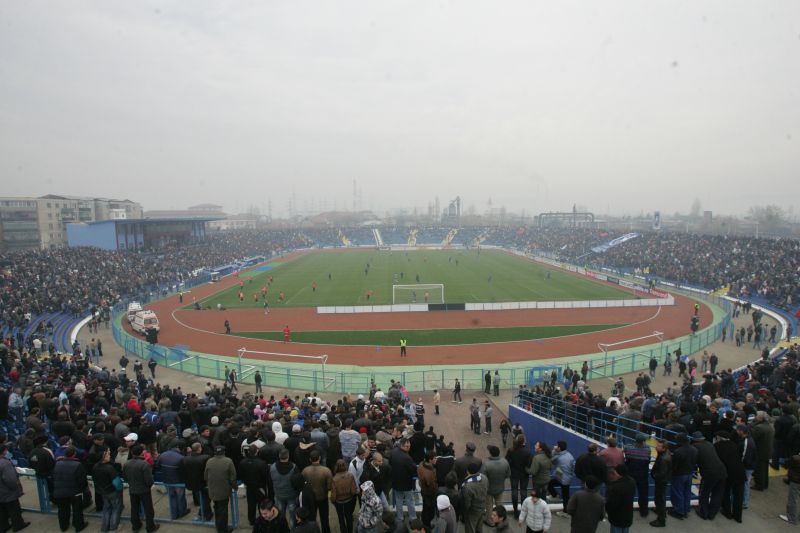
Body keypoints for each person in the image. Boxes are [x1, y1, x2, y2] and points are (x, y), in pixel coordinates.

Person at [122, 444, 159, 533]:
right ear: (142, 453)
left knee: (134, 508)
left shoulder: (126, 464)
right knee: (148, 509)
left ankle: (135, 526)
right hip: (144, 490)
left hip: (133, 489)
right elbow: (149, 480)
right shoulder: (144, 464)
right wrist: (149, 485)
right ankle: (150, 527)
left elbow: (125, 478)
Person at [692, 431, 727, 520]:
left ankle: (703, 513)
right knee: (717, 493)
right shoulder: (709, 444)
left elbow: (694, 461)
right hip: (722, 471)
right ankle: (712, 514)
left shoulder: (695, 447)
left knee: (704, 493)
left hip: (709, 473)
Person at [52, 446, 89, 533]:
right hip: (75, 492)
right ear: (74, 454)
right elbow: (82, 481)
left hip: (60, 491)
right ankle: (79, 526)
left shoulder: (57, 464)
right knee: (77, 510)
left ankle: (63, 526)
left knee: (62, 510)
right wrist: (83, 489)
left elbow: (53, 476)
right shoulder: (78, 465)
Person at [714, 430, 745, 523]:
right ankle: (738, 516)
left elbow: (717, 461)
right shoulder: (734, 444)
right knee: (738, 495)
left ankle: (727, 512)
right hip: (740, 472)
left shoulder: (717, 446)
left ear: (719, 438)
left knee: (726, 492)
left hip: (728, 473)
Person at [205, 445, 237, 533]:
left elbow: (205, 476)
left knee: (217, 508)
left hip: (213, 491)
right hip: (224, 491)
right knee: (223, 511)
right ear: (224, 452)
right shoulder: (228, 461)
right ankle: (223, 529)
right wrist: (235, 487)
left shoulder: (209, 461)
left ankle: (218, 526)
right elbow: (233, 477)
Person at [156, 440, 189, 520]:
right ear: (179, 448)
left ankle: (174, 514)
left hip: (167, 480)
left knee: (171, 496)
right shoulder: (181, 458)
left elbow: (158, 466)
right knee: (180, 497)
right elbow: (184, 471)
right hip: (178, 481)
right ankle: (182, 512)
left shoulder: (162, 455)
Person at [93, 447, 123, 532]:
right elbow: (117, 483)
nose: (109, 456)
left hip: (103, 491)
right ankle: (113, 527)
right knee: (116, 509)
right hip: (112, 492)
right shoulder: (109, 468)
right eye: (107, 455)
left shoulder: (95, 467)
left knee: (106, 509)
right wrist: (119, 489)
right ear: (103, 458)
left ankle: (104, 527)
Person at [302, 450, 333, 533]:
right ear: (319, 458)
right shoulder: (326, 470)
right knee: (324, 519)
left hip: (310, 499)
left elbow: (303, 485)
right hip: (323, 498)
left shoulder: (305, 471)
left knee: (311, 519)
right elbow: (330, 486)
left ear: (310, 459)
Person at [0, 444, 29, 532]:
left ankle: (4, 526)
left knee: (2, 510)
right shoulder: (5, 463)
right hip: (8, 491)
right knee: (14, 509)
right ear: (4, 451)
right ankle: (18, 525)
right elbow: (10, 480)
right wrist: (16, 487)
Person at [668, 433, 697, 520]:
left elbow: (674, 466)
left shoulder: (678, 451)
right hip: (689, 473)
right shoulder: (694, 449)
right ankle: (685, 509)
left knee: (678, 493)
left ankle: (679, 511)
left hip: (679, 474)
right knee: (687, 492)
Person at [239, 445, 268, 526]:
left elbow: (241, 475)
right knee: (261, 504)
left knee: (251, 504)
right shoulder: (262, 463)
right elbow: (265, 476)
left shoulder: (243, 462)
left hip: (249, 487)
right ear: (257, 451)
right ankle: (263, 520)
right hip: (260, 488)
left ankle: (251, 520)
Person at [624, 433, 651, 518]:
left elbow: (626, 457)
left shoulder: (628, 448)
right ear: (643, 441)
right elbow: (648, 460)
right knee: (643, 494)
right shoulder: (647, 449)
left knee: (629, 494)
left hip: (631, 475)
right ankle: (644, 512)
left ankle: (627, 511)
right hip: (643, 475)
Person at [391, 438, 418, 521]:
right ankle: (413, 518)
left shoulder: (394, 452)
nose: (408, 448)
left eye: (409, 446)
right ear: (402, 445)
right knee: (410, 501)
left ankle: (400, 517)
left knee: (398, 501)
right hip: (407, 484)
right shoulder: (407, 458)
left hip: (396, 482)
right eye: (407, 446)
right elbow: (413, 470)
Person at [507, 434, 531, 518]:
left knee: (514, 491)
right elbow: (529, 464)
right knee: (523, 492)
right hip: (524, 474)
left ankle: (515, 512)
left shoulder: (511, 450)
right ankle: (523, 512)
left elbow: (507, 461)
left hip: (514, 474)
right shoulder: (528, 451)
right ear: (524, 441)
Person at [605, 464, 635, 533]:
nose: (613, 474)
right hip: (627, 515)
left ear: (619, 474)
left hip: (617, 518)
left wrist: (607, 509)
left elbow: (611, 504)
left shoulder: (615, 487)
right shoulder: (632, 482)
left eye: (615, 473)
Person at [649, 439, 672, 528]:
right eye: (657, 445)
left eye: (658, 446)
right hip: (662, 480)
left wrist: (654, 475)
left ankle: (661, 520)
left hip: (661, 481)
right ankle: (660, 512)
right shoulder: (664, 454)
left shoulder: (664, 458)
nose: (656, 447)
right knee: (660, 498)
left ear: (664, 448)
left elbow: (661, 473)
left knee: (660, 499)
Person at [330, 459, 358, 533]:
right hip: (349, 500)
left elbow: (333, 494)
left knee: (341, 519)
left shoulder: (334, 479)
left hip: (339, 502)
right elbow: (353, 490)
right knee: (349, 517)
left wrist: (333, 501)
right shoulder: (350, 475)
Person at [461, 461, 488, 533]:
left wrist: (465, 512)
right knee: (479, 526)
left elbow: (467, 503)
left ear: (468, 471)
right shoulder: (484, 478)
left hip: (472, 510)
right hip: (482, 506)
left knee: (470, 528)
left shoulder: (467, 486)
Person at [484, 445, 510, 520]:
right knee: (499, 504)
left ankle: (490, 521)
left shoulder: (486, 464)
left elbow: (483, 478)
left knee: (489, 506)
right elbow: (508, 475)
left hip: (489, 489)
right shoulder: (505, 462)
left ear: (490, 453)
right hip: (500, 488)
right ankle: (499, 519)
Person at [548, 440, 574, 513]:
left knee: (550, 484)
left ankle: (565, 511)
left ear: (559, 448)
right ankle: (556, 497)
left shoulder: (558, 457)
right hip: (567, 478)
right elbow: (573, 466)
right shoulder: (570, 455)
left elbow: (551, 461)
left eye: (557, 445)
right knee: (566, 495)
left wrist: (553, 450)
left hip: (561, 479)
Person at [781, 452, 800, 523]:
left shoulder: (795, 458)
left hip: (795, 481)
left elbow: (785, 465)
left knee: (792, 499)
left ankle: (791, 517)